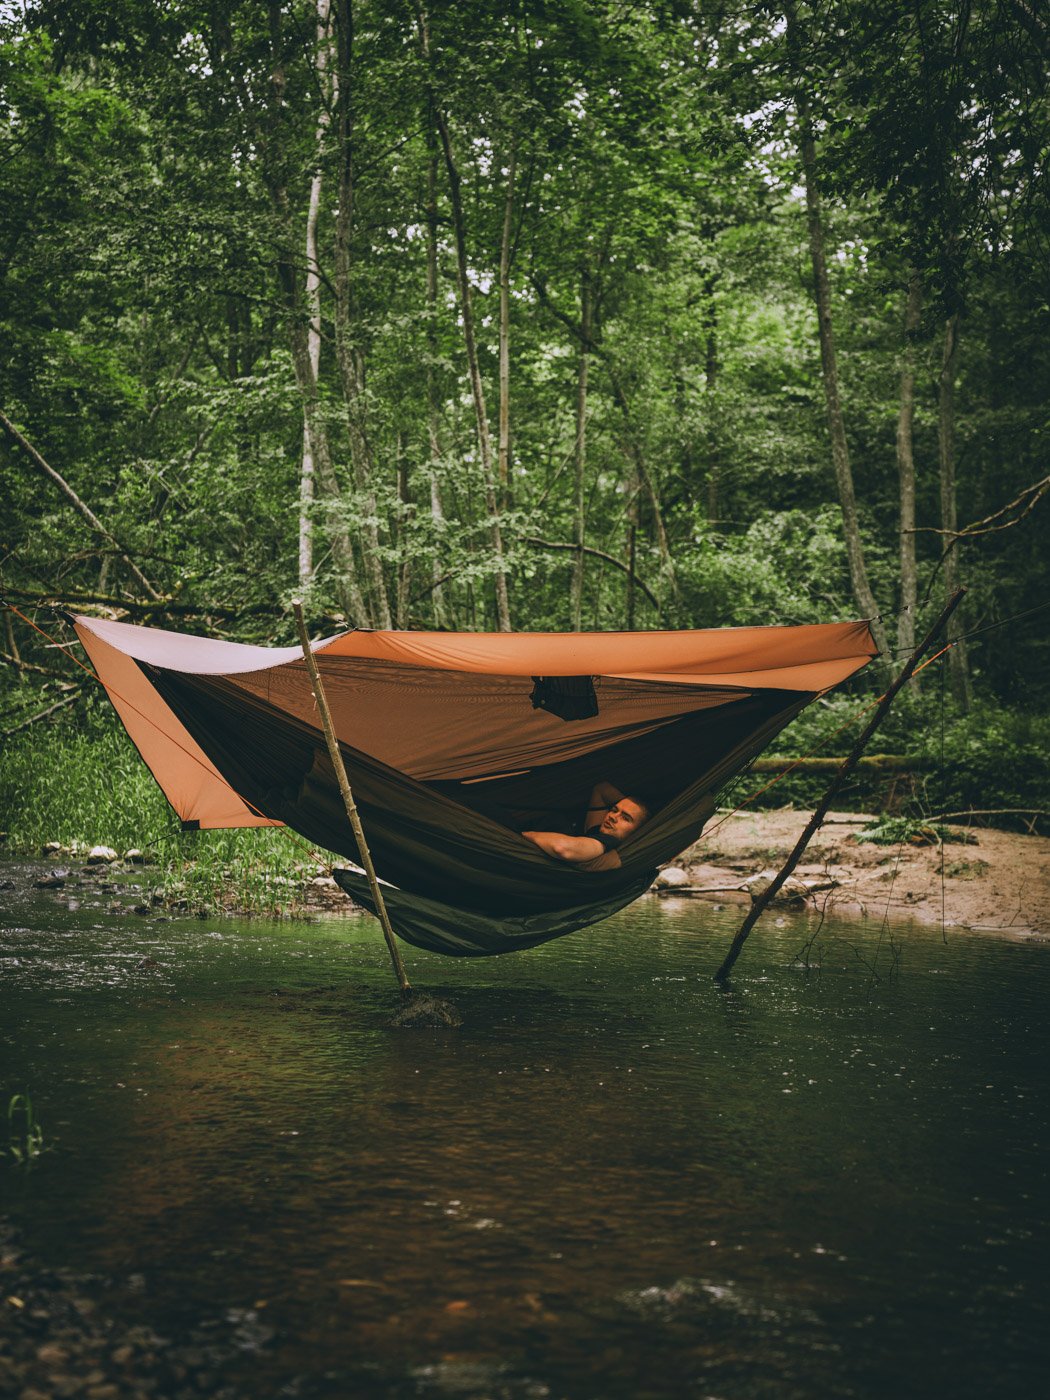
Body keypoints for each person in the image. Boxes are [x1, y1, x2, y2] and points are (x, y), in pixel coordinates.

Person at [521, 780, 650, 864]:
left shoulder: (605, 844)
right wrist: (631, 805)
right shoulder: (596, 832)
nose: (612, 816)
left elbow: (562, 848)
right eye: (614, 809)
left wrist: (522, 835)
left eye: (626, 818)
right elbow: (601, 789)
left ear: (638, 832)